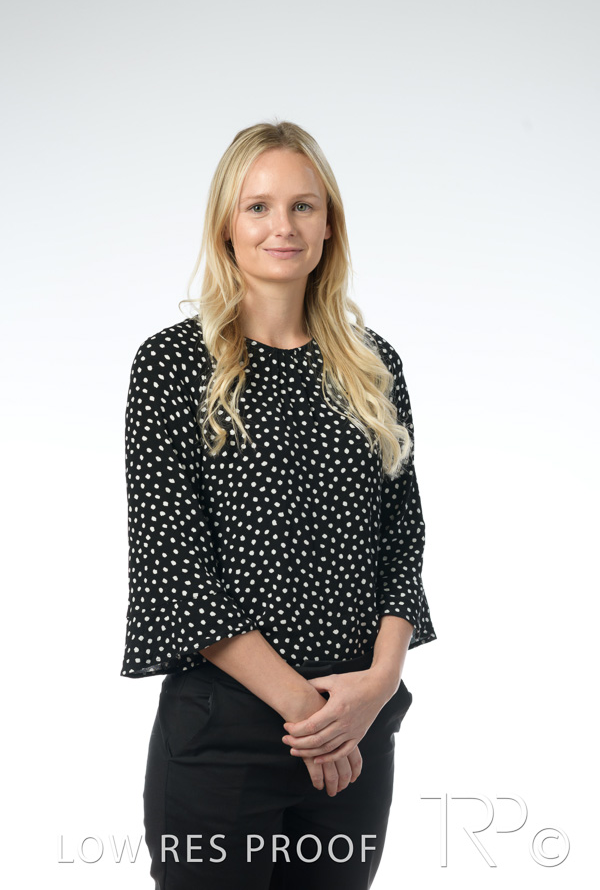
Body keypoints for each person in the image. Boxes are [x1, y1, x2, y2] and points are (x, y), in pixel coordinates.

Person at [120, 120, 437, 890]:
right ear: (226, 226)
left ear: (329, 226)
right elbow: (177, 573)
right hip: (224, 740)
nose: (282, 226)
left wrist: (377, 686)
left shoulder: (373, 367)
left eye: (303, 206)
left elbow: (403, 539)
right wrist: (311, 715)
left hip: (358, 730)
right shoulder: (172, 367)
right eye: (258, 206)